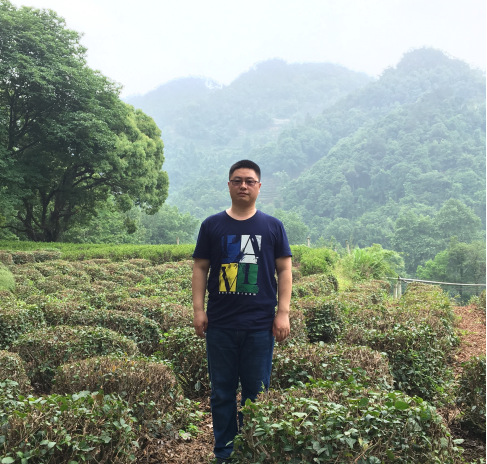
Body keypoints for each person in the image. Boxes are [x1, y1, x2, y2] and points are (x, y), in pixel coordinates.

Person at [192, 159, 293, 463]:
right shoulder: (212, 225)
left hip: (259, 326)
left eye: (249, 181)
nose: (243, 186)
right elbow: (200, 267)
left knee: (256, 393)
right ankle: (224, 453)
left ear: (259, 186)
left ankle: (251, 451)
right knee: (221, 393)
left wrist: (283, 312)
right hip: (220, 324)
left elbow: (285, 270)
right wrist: (198, 309)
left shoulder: (272, 226)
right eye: (237, 181)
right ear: (229, 185)